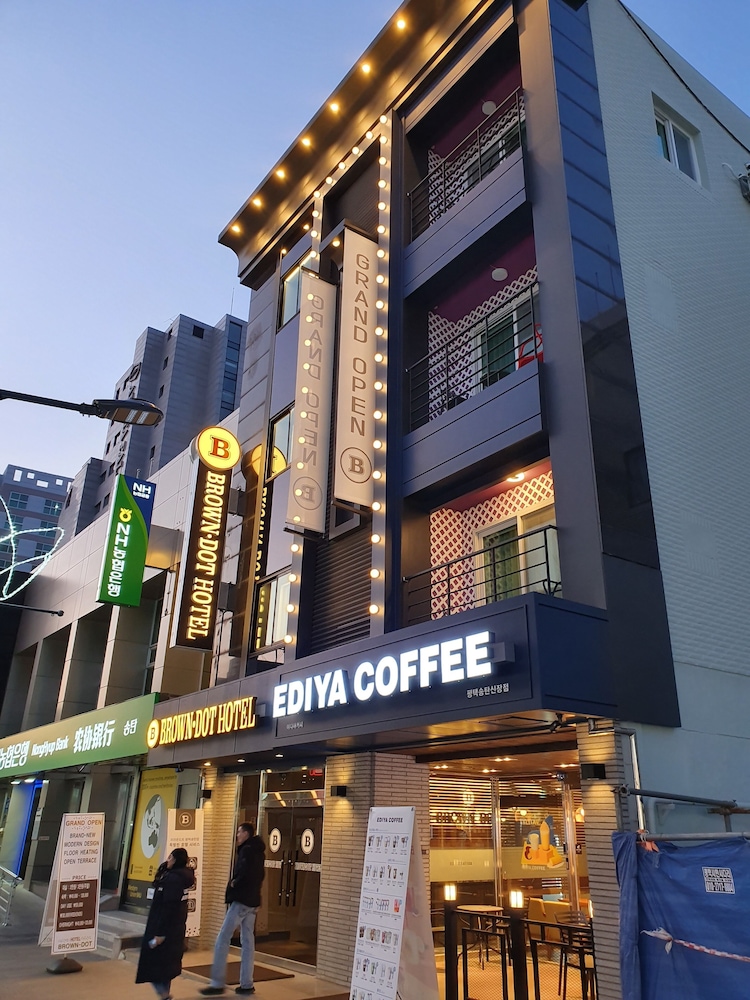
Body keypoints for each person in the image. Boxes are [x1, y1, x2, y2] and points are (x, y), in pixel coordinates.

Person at [200, 822, 266, 997]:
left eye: (239, 832)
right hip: (252, 901)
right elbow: (260, 875)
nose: (237, 835)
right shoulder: (259, 851)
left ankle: (217, 983)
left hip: (241, 900)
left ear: (246, 833)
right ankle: (246, 983)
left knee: (223, 938)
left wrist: (234, 883)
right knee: (248, 942)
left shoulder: (247, 850)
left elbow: (244, 873)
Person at [136, 847, 196, 1000]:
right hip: (175, 928)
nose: (167, 860)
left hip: (163, 928)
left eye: (169, 857)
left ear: (175, 860)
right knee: (165, 966)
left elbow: (168, 907)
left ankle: (164, 995)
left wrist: (160, 934)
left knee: (152, 964)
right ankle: (165, 994)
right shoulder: (182, 877)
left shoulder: (173, 880)